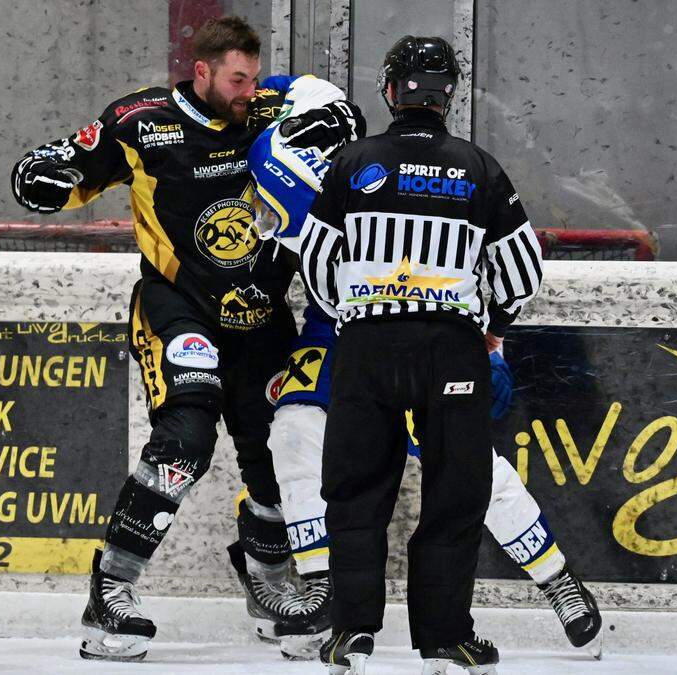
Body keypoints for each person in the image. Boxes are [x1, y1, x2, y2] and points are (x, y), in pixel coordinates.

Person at [10, 16, 362, 662]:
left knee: (276, 448)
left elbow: (345, 118)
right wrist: (43, 176)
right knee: (187, 436)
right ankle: (111, 587)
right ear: (200, 72)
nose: (247, 91)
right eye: (235, 79)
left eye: (253, 78)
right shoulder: (142, 123)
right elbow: (63, 167)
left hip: (261, 315)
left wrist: (331, 127)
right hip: (181, 308)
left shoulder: (272, 110)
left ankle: (268, 581)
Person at [247, 76, 602, 660]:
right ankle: (323, 589)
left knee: (465, 468)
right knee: (295, 433)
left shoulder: (351, 154)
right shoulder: (339, 158)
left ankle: (557, 578)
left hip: (401, 328)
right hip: (345, 328)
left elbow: (308, 91)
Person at [297, 36, 543, 675]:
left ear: (389, 90)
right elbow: (521, 271)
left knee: (355, 494)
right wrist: (492, 329)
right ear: (448, 96)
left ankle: (351, 633)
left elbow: (318, 264)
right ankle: (444, 639)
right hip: (449, 350)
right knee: (456, 493)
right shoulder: (479, 167)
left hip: (366, 350)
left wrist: (360, 312)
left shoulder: (352, 163)